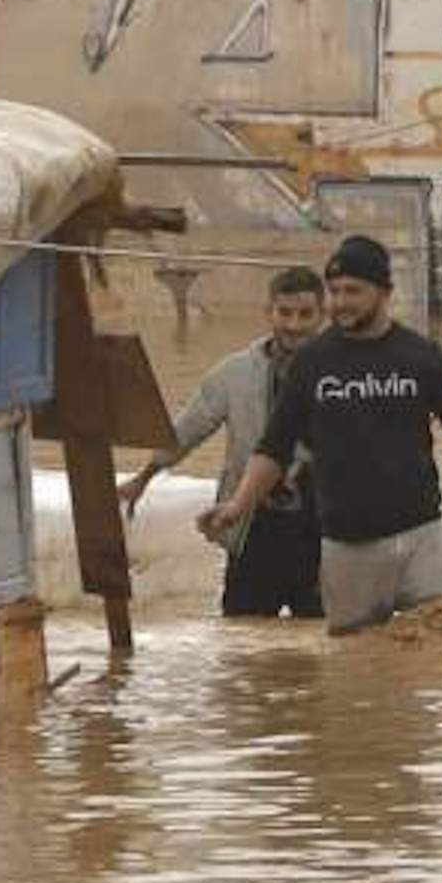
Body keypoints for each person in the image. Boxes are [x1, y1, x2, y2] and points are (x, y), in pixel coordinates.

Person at [199, 234, 442, 634]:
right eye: (335, 291)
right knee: (356, 670)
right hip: (347, 549)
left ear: (384, 292)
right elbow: (274, 448)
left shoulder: (419, 356)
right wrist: (238, 506)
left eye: (353, 291)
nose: (340, 302)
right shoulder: (312, 363)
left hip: (422, 537)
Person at [120, 265, 326, 618]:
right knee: (243, 639)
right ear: (269, 313)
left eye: (305, 315)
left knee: (328, 643)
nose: (293, 325)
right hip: (252, 525)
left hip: (324, 528)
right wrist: (144, 477)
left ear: (323, 316)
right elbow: (187, 429)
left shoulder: (345, 373)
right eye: (285, 313)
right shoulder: (236, 373)